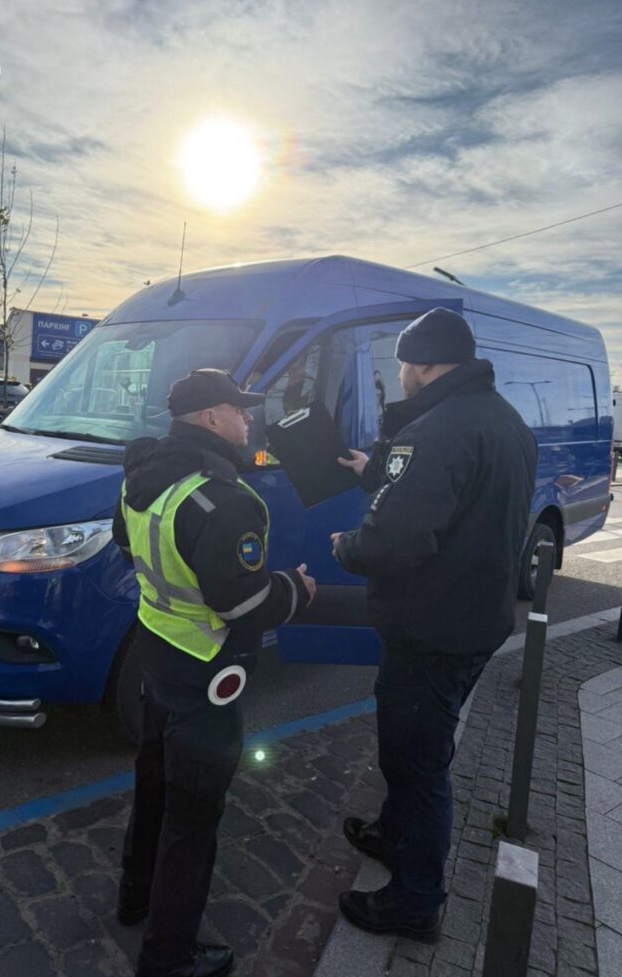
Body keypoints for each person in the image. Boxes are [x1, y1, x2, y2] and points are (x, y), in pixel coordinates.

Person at [330, 308, 537, 943]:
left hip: (432, 629)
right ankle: (395, 840)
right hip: (474, 618)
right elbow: (460, 503)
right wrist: (377, 472)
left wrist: (346, 547)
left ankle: (415, 902)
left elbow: (396, 540)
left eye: (401, 364)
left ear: (421, 363)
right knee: (417, 751)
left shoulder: (437, 429)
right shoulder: (503, 421)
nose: (399, 376)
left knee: (417, 766)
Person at [113, 368, 316, 977]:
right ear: (209, 418)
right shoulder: (225, 499)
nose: (248, 418)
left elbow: (129, 550)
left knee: (152, 780)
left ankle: (133, 897)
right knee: (193, 817)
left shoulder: (141, 476)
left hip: (157, 646)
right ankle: (169, 956)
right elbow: (244, 604)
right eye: (239, 409)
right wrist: (297, 591)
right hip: (208, 666)